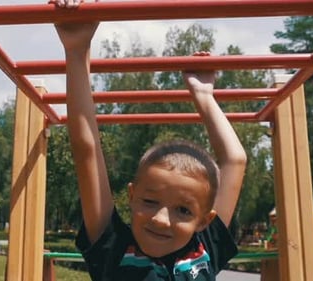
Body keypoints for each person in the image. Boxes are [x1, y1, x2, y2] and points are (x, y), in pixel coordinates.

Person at [51, 0, 247, 280]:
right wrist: (76, 49)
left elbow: (235, 161)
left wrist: (204, 97)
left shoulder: (205, 247)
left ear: (204, 220)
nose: (160, 219)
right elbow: (87, 152)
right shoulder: (114, 249)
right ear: (131, 196)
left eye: (183, 210)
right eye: (150, 201)